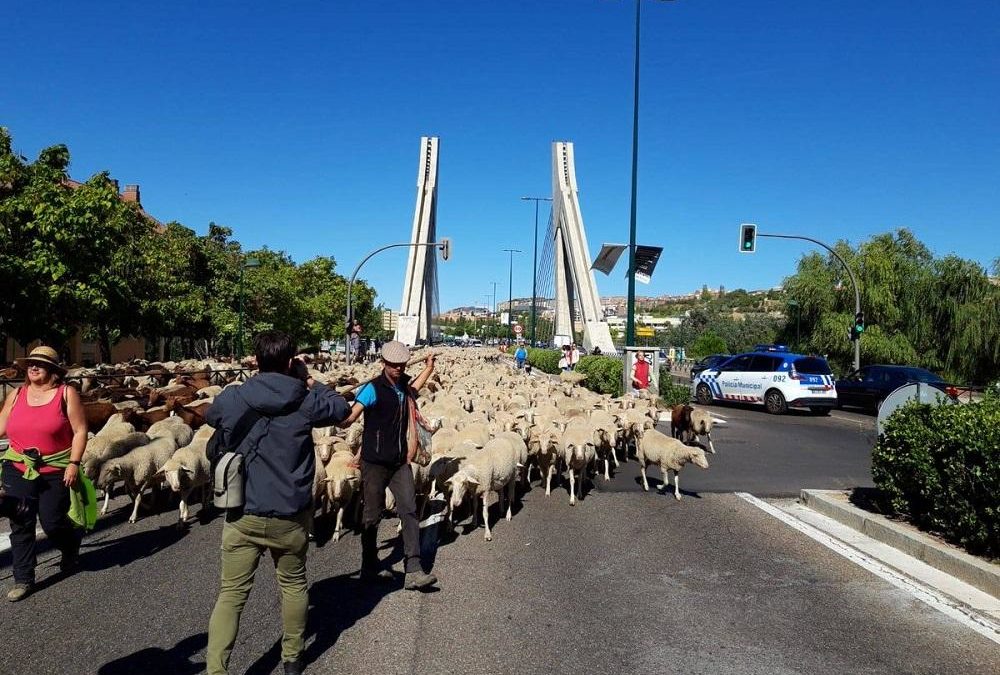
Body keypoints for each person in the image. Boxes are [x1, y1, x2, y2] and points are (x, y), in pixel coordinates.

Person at [205, 330, 351, 675]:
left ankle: (216, 669)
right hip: (290, 513)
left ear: (255, 360)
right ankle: (292, 659)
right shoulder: (305, 398)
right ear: (290, 362)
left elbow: (212, 417)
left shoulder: (234, 396)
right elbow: (342, 409)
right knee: (293, 585)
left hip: (243, 512)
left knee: (231, 594)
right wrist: (310, 380)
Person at [339, 341, 438, 590]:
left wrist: (428, 368)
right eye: (394, 365)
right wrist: (337, 408)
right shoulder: (372, 389)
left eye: (402, 365)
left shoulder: (404, 385)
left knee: (409, 509)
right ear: (384, 364)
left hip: (399, 462)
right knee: (372, 515)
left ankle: (414, 569)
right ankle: (369, 566)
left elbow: (414, 388)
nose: (398, 369)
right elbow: (351, 416)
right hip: (374, 462)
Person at [0, 345, 88, 602]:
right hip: (18, 466)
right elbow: (2, 426)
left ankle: (70, 544)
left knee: (52, 521)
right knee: (21, 521)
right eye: (30, 364)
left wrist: (73, 463)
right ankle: (23, 578)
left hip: (55, 468)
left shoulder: (66, 394)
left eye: (40, 364)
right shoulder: (16, 394)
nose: (34, 367)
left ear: (53, 370)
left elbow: (80, 430)